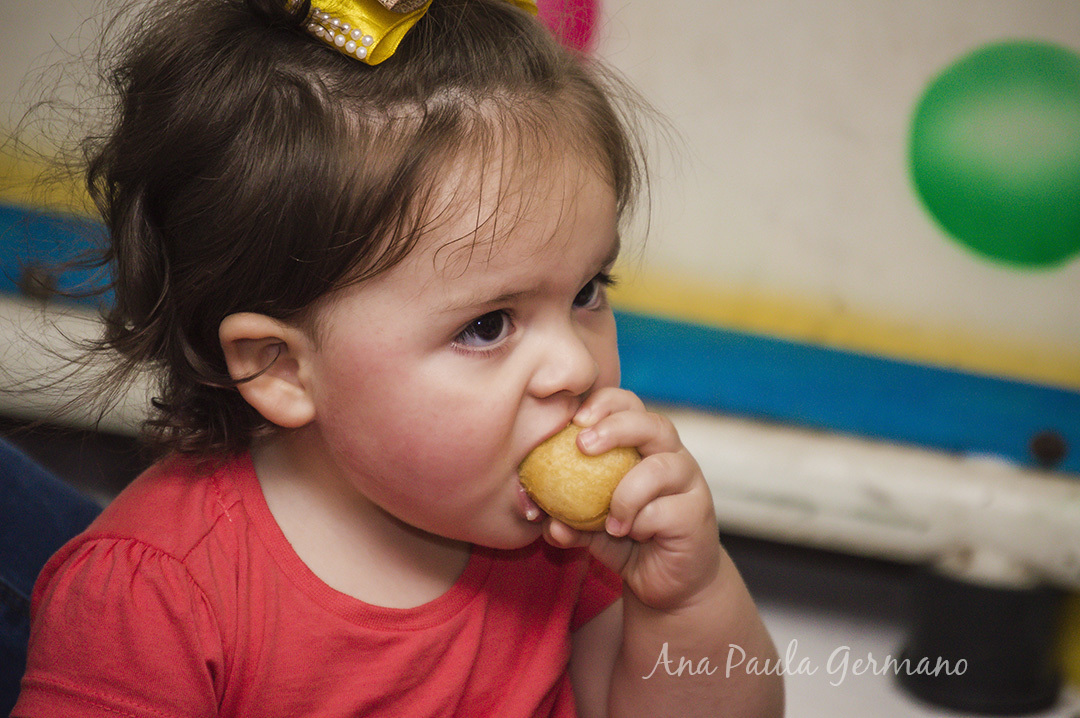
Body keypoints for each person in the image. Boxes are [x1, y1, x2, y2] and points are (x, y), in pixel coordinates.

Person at [13, 0, 784, 715]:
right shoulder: (153, 596)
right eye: (488, 326)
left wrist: (684, 600)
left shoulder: (569, 551)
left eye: (588, 290)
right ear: (280, 368)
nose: (575, 367)